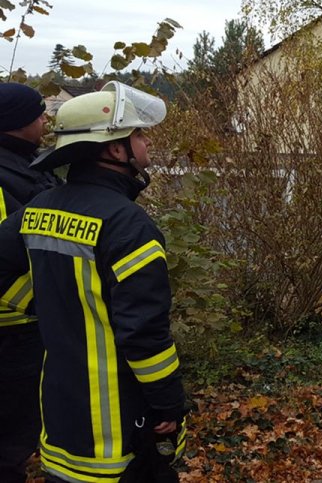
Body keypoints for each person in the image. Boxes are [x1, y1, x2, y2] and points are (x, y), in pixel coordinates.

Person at [0, 81, 187, 483]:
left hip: (62, 427)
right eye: (137, 133)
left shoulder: (39, 207)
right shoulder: (129, 227)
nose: (147, 141)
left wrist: (42, 304)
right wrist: (169, 405)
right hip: (120, 433)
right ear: (115, 149)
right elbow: (145, 337)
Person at [0, 84, 59, 483]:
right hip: (11, 333)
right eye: (39, 114)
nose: (45, 120)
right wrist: (44, 304)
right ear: (18, 123)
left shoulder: (27, 166)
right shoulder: (5, 179)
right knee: (9, 444)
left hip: (28, 329)